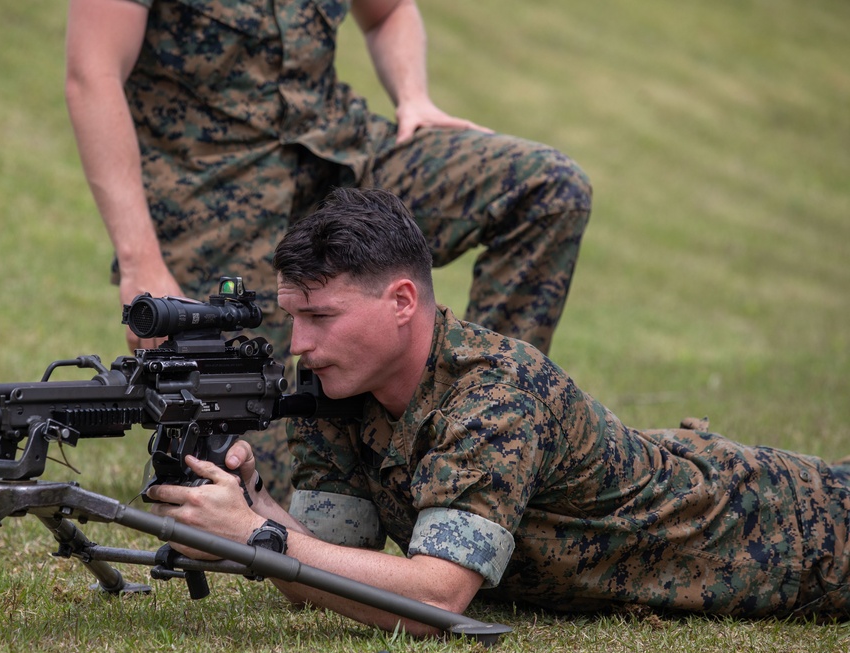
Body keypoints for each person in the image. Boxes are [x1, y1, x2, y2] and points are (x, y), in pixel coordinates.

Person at [145, 187, 850, 636]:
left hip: (777, 532)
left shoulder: (492, 395)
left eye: (322, 316)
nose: (300, 342)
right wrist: (249, 508)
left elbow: (435, 598)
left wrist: (261, 539)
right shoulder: (333, 382)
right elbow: (329, 572)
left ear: (401, 303)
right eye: (295, 317)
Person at [64, 0, 593, 502]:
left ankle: (483, 426)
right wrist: (139, 261)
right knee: (244, 489)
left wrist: (414, 96)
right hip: (214, 195)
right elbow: (92, 75)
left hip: (345, 156)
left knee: (548, 187)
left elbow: (388, 12)